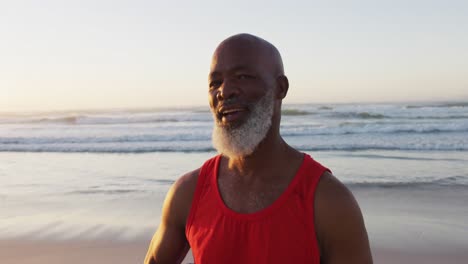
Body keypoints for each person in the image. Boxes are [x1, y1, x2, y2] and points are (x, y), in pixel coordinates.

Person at [144, 33, 373, 264]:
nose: (224, 91)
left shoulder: (328, 201)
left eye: (243, 76)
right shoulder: (187, 193)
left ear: (280, 88)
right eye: (215, 83)